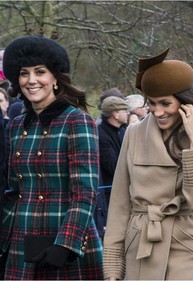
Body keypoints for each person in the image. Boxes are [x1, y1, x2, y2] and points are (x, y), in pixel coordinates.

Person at [102, 48, 193, 280]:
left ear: (185, 102)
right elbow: (120, 203)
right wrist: (112, 267)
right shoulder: (134, 133)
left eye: (165, 103)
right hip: (141, 245)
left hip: (187, 246)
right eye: (152, 103)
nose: (157, 112)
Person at [0, 35, 103, 280]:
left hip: (65, 243)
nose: (31, 80)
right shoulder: (15, 125)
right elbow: (14, 193)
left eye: (40, 72)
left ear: (55, 77)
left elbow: (85, 193)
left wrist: (66, 243)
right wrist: (2, 241)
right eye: (24, 74)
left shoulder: (77, 120)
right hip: (22, 241)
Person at [95, 96, 130, 238]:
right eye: (124, 110)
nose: (128, 113)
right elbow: (113, 166)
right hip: (110, 196)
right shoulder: (101, 134)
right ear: (115, 114)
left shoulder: (123, 130)